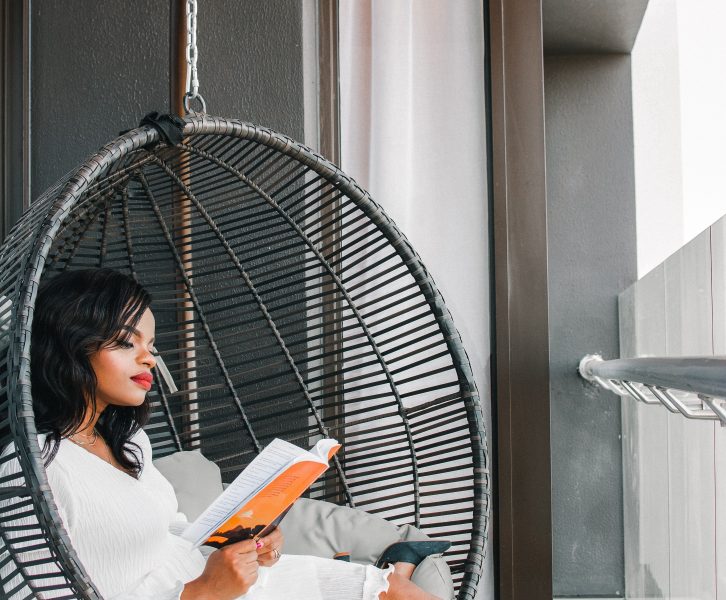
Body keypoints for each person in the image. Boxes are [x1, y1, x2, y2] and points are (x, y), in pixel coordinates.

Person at [3, 268, 442, 600]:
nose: (149, 359)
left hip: (216, 581)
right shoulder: (31, 467)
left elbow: (169, 532)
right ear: (68, 346)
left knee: (385, 591)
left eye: (151, 346)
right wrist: (203, 592)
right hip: (197, 595)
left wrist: (242, 545)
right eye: (126, 342)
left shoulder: (129, 441)